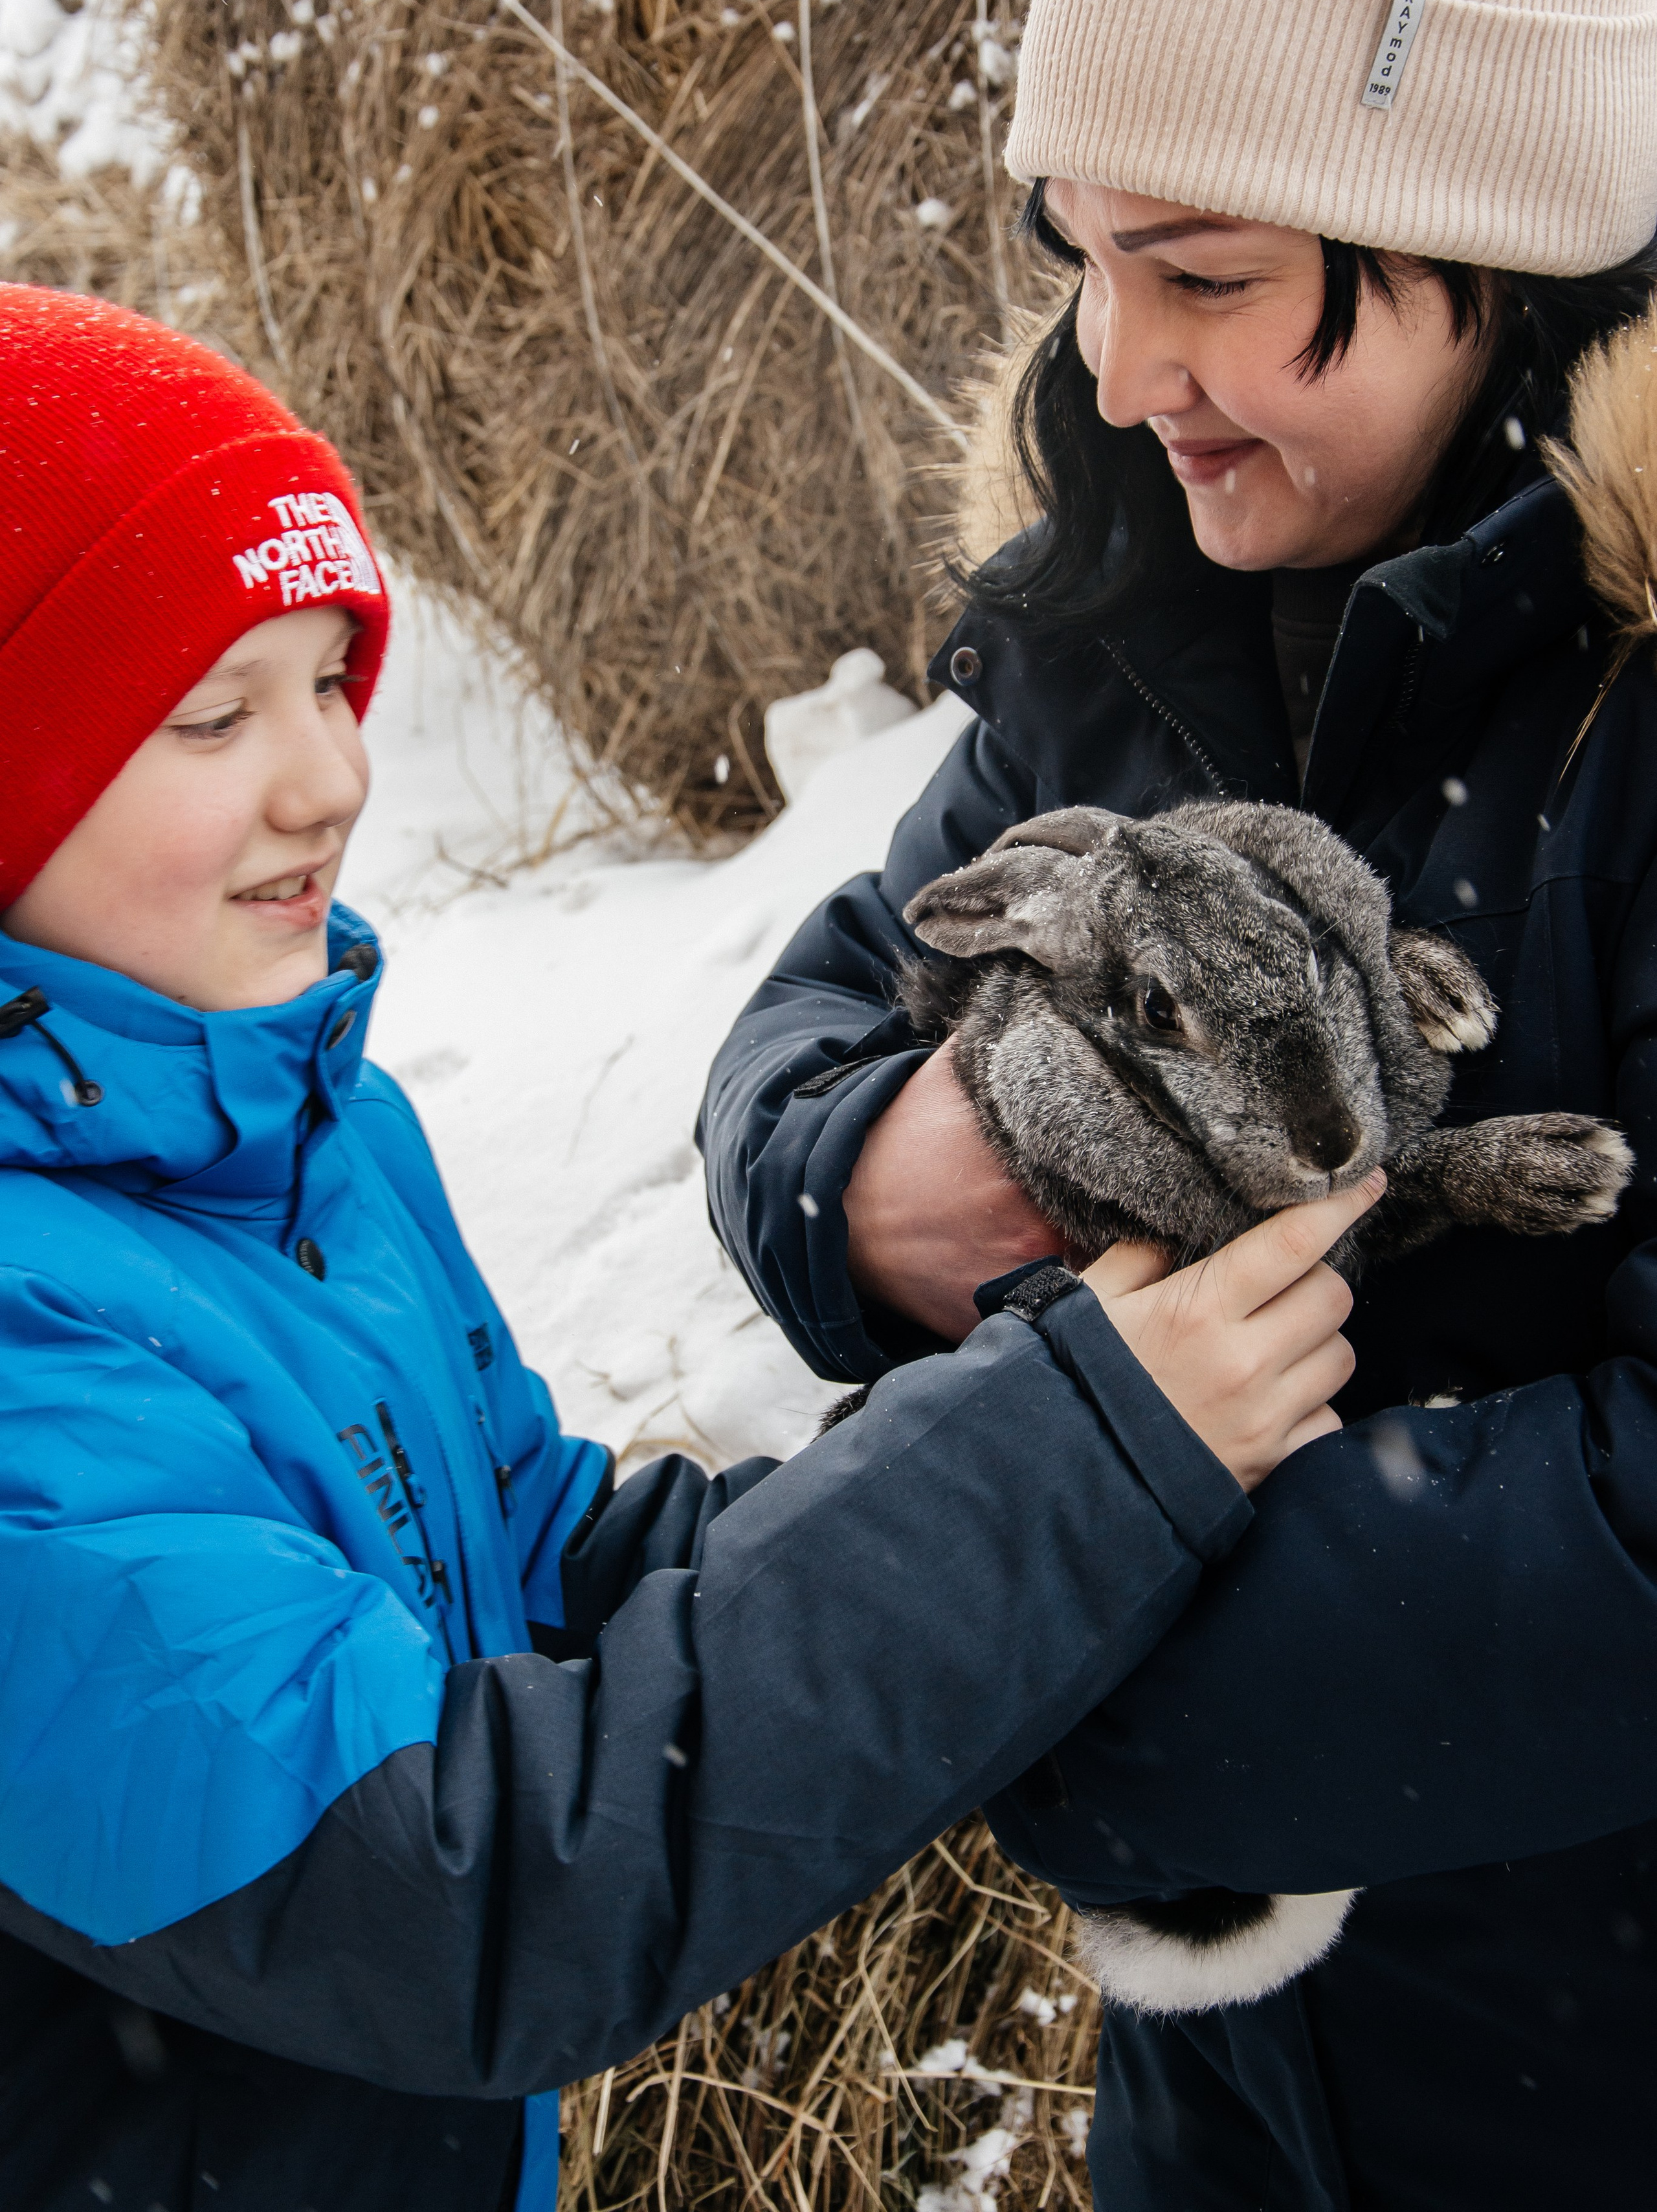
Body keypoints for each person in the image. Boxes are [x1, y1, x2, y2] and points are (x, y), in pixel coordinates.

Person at [0, 284, 1375, 2212]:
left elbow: (532, 1568)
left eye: (332, 680)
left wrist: (1013, 1472)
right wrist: (1065, 1464)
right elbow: (465, 1890)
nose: (330, 779)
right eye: (215, 714)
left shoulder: (301, 1135)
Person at [699, 0, 1657, 2203]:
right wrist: (864, 1178)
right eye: (1082, 257)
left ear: (1493, 239)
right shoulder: (1129, 620)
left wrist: (1058, 1643)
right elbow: (830, 1005)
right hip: (1228, 2115)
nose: (1121, 374)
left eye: (1205, 275)